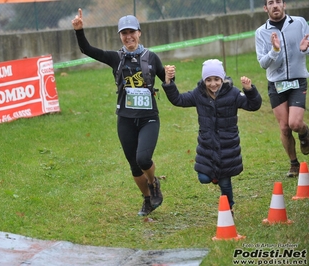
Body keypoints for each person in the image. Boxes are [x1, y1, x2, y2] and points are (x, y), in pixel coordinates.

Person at [71, 9, 167, 216]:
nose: (128, 36)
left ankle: (153, 183)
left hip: (148, 118)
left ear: (139, 33)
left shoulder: (151, 57)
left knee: (143, 159)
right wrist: (79, 30)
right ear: (120, 36)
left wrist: (171, 78)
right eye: (124, 33)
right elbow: (87, 49)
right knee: (133, 165)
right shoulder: (116, 58)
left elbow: (167, 81)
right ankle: (147, 199)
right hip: (125, 118)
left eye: (132, 32)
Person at [161, 59, 262, 212]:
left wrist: (249, 90)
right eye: (208, 80)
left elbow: (254, 105)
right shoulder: (198, 94)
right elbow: (178, 100)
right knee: (204, 178)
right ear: (204, 80)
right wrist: (169, 83)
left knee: (225, 182)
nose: (213, 84)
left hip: (227, 145)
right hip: (207, 145)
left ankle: (229, 208)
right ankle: (215, 176)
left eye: (216, 79)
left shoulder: (233, 93)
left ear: (222, 79)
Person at [255, 0, 309, 177]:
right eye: (271, 2)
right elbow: (263, 63)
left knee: (295, 123)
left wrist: (304, 50)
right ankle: (294, 163)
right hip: (276, 83)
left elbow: (307, 46)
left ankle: (305, 133)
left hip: (297, 79)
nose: (275, 5)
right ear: (265, 8)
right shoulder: (261, 32)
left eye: (278, 1)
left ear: (284, 5)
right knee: (285, 127)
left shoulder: (300, 22)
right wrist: (274, 50)